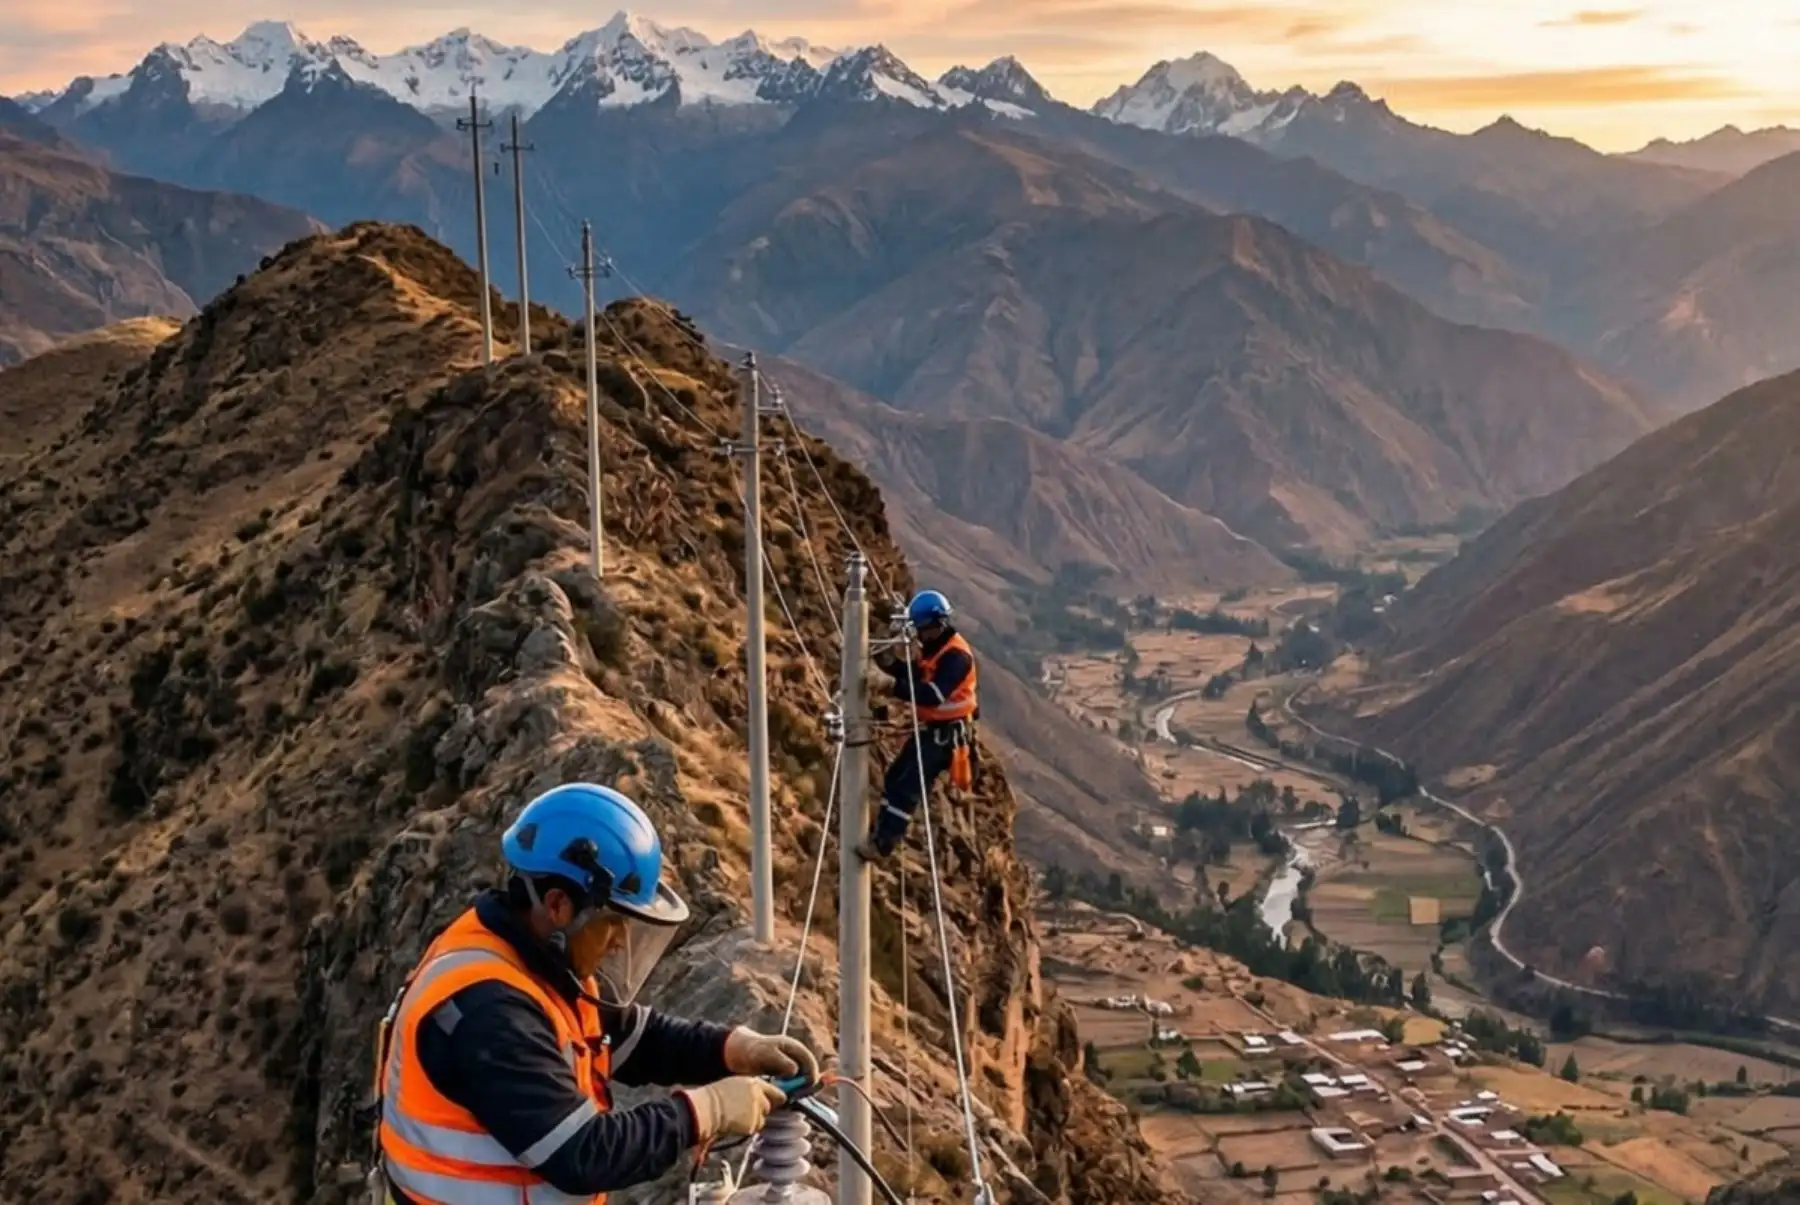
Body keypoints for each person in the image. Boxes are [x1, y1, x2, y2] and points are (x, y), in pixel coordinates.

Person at [372, 782, 821, 1204]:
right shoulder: (488, 1012)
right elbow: (583, 1154)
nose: (621, 941)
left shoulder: (536, 956)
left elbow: (628, 1037)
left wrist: (732, 1050)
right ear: (557, 904)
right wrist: (705, 1112)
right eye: (612, 922)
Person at [857, 589, 979, 862]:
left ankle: (882, 846)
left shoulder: (956, 657)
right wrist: (892, 666)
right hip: (934, 731)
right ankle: (880, 833)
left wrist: (891, 685)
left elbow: (931, 694)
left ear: (936, 626)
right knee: (894, 779)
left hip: (945, 737)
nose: (919, 636)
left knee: (906, 788)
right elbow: (917, 675)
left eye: (921, 629)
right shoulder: (937, 650)